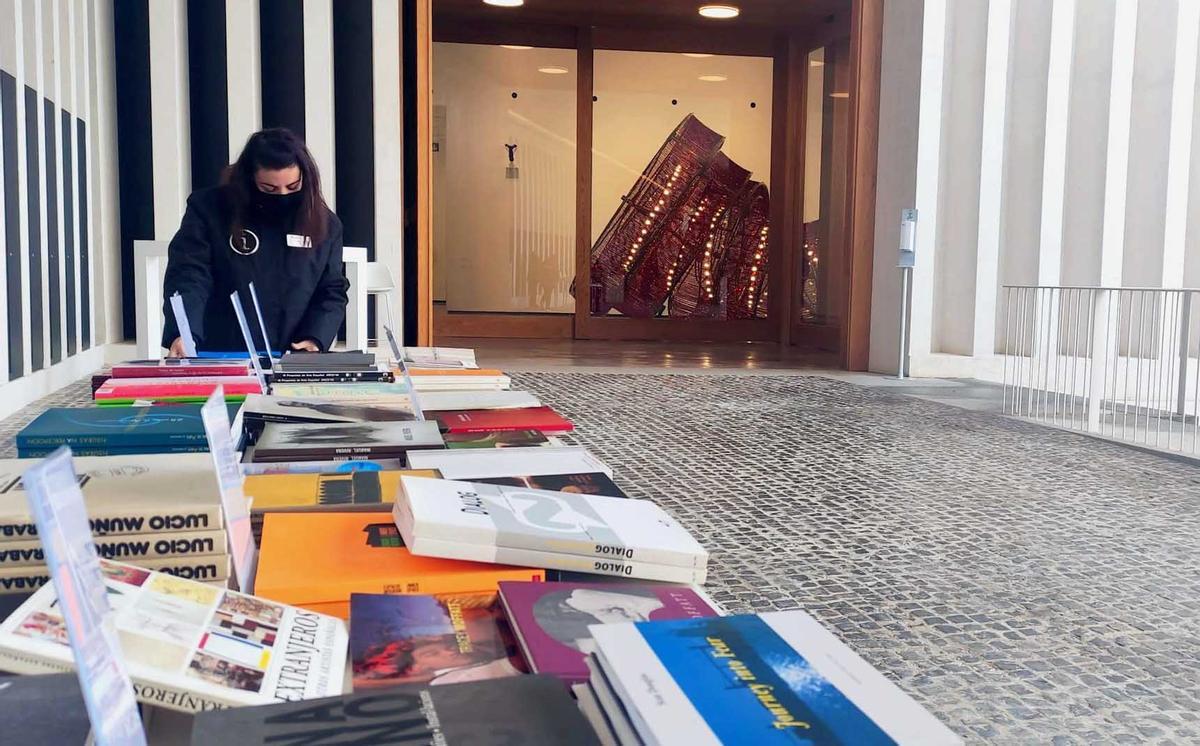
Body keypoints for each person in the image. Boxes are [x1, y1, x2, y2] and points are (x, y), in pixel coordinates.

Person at [161, 128, 348, 356]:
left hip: (293, 355)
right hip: (221, 353)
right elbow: (189, 274)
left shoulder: (324, 223)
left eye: (292, 187)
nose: (281, 196)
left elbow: (331, 290)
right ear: (248, 180)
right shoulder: (209, 210)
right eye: (269, 188)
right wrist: (184, 331)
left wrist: (315, 338)